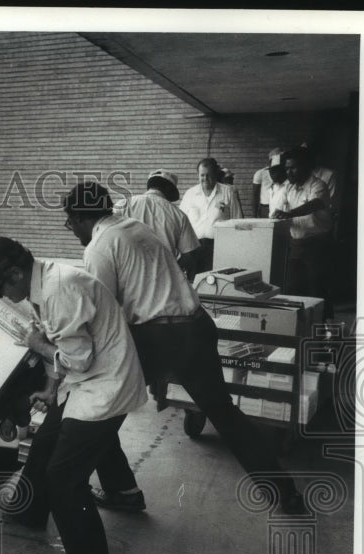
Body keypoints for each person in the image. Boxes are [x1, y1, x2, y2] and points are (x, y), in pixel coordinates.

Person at [64, 181, 306, 515]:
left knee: (101, 409)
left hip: (158, 335)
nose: (72, 230)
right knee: (226, 415)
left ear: (78, 217)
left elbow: (102, 315)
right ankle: (286, 493)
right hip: (196, 324)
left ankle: (110, 489)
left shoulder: (98, 247)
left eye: (70, 223)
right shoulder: (136, 227)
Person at [0, 236, 147, 554]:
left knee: (64, 476)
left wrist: (35, 344)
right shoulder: (43, 283)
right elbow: (63, 345)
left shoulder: (59, 290)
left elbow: (77, 359)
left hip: (105, 386)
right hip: (87, 381)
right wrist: (51, 390)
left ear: (16, 274)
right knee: (45, 441)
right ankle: (30, 512)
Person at [271, 147, 335, 318]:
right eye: (286, 168)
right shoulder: (289, 189)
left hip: (317, 245)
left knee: (318, 290)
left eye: (293, 167)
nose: (288, 172)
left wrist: (289, 213)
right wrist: (276, 215)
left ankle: (325, 331)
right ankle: (302, 329)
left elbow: (314, 204)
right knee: (294, 289)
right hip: (296, 245)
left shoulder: (318, 185)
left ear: (306, 166)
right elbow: (279, 209)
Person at [120, 170, 201, 280]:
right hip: (163, 280)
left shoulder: (123, 205)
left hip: (127, 277)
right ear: (169, 190)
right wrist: (173, 270)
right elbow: (190, 254)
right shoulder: (178, 215)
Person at [179, 157, 244, 270]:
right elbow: (180, 222)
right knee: (195, 283)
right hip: (194, 249)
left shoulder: (228, 192)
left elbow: (238, 220)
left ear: (215, 174)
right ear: (198, 175)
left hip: (220, 248)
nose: (205, 178)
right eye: (202, 175)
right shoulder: (190, 194)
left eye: (209, 175)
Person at [252, 147, 283, 218]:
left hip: (281, 207)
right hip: (265, 207)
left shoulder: (285, 174)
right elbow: (255, 195)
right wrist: (254, 215)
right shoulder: (260, 173)